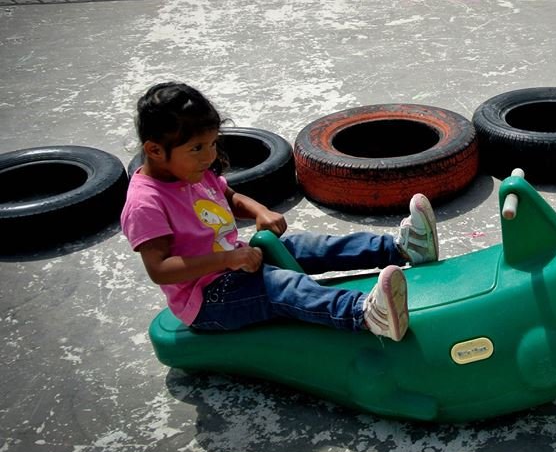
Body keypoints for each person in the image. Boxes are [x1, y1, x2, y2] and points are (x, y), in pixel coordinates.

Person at [121, 82, 439, 342]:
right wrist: (228, 260)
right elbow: (160, 268)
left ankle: (404, 248)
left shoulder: (192, 170)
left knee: (311, 247)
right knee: (283, 286)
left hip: (236, 261)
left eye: (212, 144)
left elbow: (228, 195)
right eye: (197, 148)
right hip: (208, 300)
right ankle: (365, 314)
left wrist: (259, 210)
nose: (209, 156)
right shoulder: (145, 203)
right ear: (154, 150)